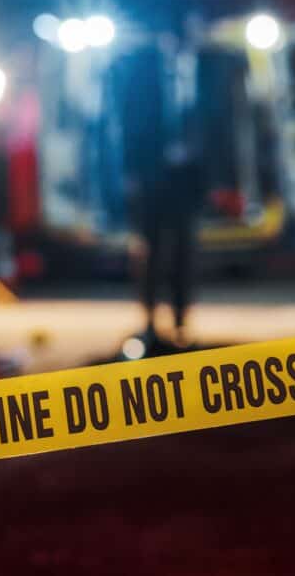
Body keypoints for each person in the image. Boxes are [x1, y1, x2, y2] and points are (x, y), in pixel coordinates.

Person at [114, 33, 203, 352]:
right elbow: (129, 128)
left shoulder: (196, 77)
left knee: (184, 252)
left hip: (184, 181)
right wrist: (132, 174)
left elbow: (207, 126)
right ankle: (150, 321)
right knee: (150, 252)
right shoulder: (142, 82)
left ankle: (180, 321)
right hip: (152, 179)